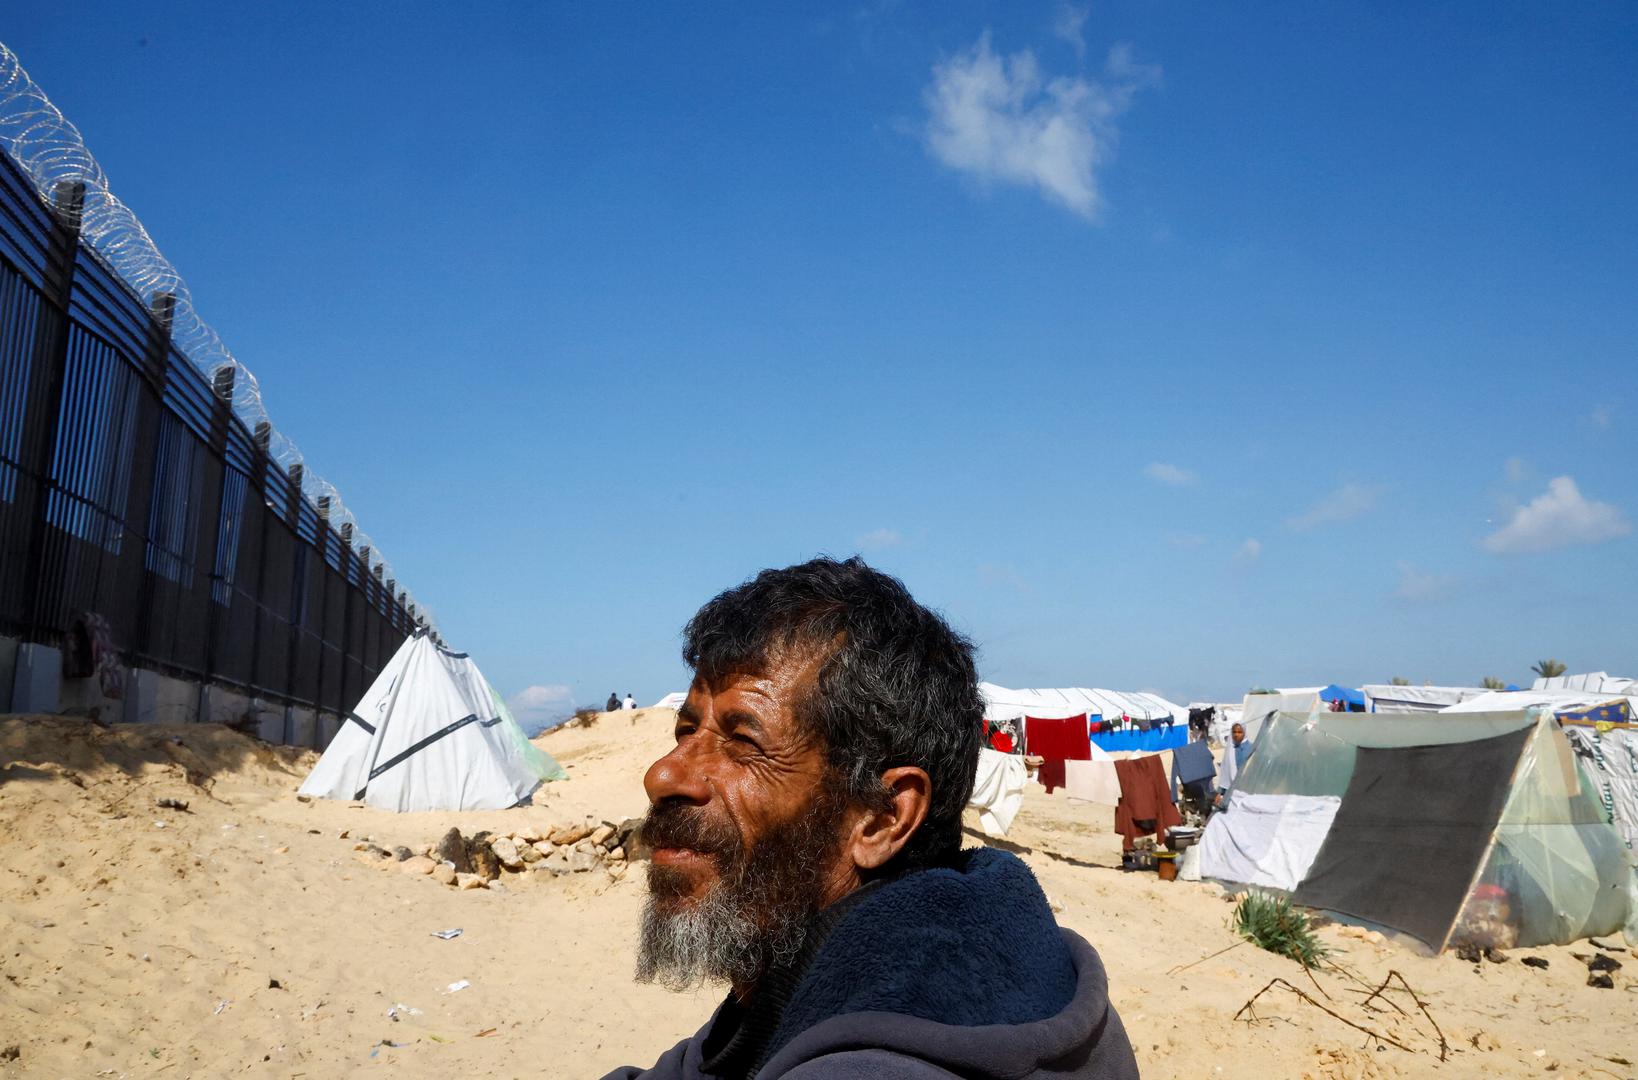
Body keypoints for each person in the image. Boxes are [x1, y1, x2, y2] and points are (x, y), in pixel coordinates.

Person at [604, 556, 1137, 1080]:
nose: (664, 775)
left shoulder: (883, 1057)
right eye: (686, 731)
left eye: (744, 742)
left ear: (883, 818)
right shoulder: (804, 976)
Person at [1212, 722, 1253, 808]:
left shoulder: (1251, 748)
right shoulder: (1230, 749)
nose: (1236, 735)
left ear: (1244, 733)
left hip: (1247, 790)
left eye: (1239, 732)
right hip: (1231, 792)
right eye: (1234, 732)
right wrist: (1220, 793)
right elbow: (1225, 775)